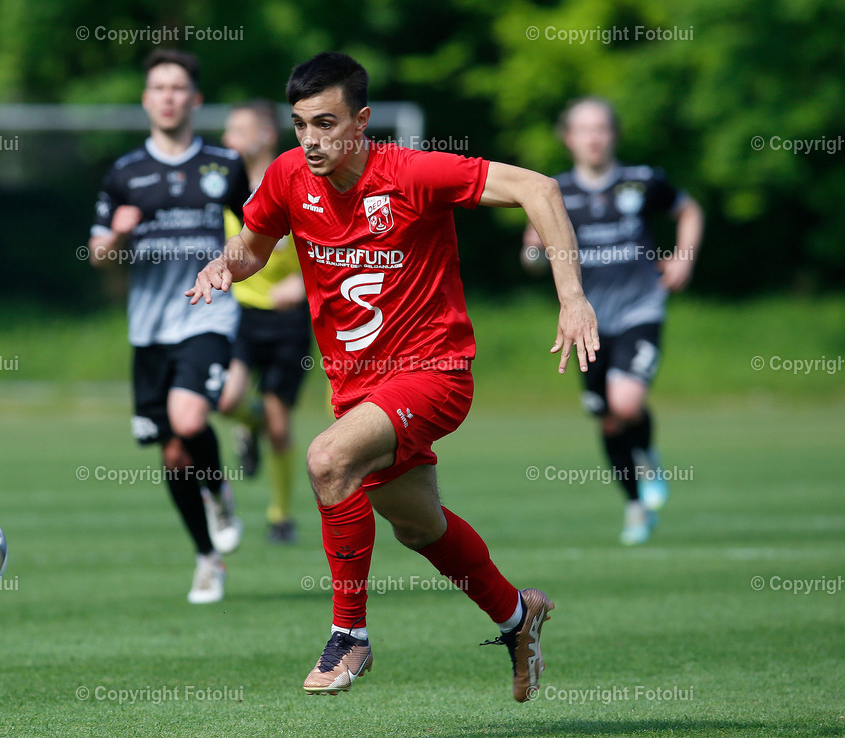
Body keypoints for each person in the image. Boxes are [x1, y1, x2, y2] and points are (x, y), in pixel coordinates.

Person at [188, 52, 599, 700]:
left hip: (435, 373)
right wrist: (223, 265)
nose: (311, 140)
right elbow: (254, 248)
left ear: (363, 120)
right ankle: (519, 617)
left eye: (326, 123)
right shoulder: (288, 176)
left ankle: (350, 636)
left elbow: (539, 188)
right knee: (418, 526)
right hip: (359, 391)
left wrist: (572, 297)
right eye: (300, 124)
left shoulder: (412, 173)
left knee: (326, 461)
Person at [88, 49, 251, 604]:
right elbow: (98, 256)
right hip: (149, 330)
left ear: (195, 99)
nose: (168, 96)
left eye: (178, 88)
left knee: (189, 415)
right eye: (158, 87)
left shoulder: (225, 165)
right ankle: (208, 555)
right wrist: (118, 237)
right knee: (175, 455)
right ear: (146, 99)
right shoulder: (125, 173)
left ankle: (219, 491)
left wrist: (232, 263)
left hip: (207, 314)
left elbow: (258, 230)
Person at [523, 96, 704, 546]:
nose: (594, 137)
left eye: (601, 128)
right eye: (584, 129)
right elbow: (531, 249)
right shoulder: (555, 191)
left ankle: (647, 455)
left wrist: (683, 257)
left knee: (625, 404)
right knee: (606, 418)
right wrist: (533, 254)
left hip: (641, 309)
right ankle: (635, 506)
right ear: (568, 139)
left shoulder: (642, 181)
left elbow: (689, 211)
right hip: (585, 322)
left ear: (614, 134)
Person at [217, 100, 312, 544]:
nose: (227, 139)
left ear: (266, 136)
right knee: (226, 400)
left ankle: (280, 515)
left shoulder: (297, 183)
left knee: (279, 423)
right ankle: (246, 426)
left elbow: (328, 248)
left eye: (238, 129)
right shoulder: (224, 186)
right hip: (242, 314)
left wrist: (304, 285)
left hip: (289, 320)